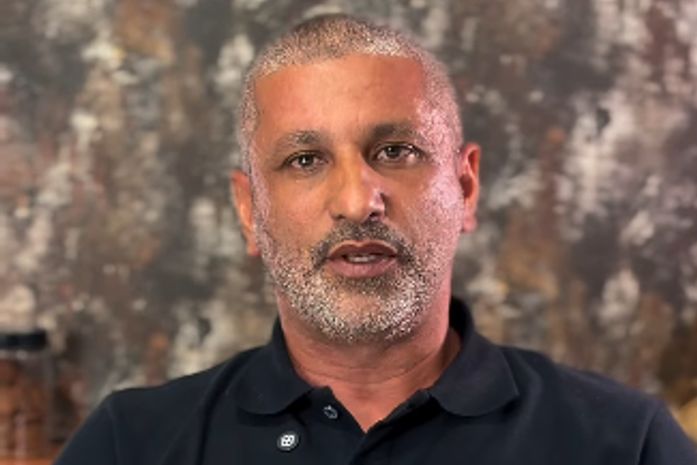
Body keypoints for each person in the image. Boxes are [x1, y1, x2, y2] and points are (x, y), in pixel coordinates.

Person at [54, 14, 696, 465]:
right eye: (305, 160)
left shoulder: (625, 443)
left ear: (466, 187)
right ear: (250, 212)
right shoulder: (128, 445)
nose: (358, 201)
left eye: (395, 150)